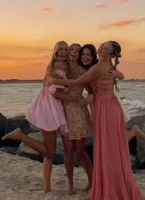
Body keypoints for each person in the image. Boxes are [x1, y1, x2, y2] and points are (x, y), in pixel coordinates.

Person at [47, 41, 144, 199]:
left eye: (105, 49)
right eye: (102, 46)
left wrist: (54, 81)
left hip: (106, 108)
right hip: (103, 107)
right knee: (108, 147)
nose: (101, 49)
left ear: (110, 54)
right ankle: (107, 182)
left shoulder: (98, 67)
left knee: (108, 146)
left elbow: (79, 82)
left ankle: (132, 133)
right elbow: (106, 79)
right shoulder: (100, 65)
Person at [2, 41, 71, 193]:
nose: (64, 52)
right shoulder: (57, 66)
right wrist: (74, 97)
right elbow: (54, 92)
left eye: (66, 49)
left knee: (49, 152)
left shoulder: (58, 66)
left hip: (54, 107)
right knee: (50, 152)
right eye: (61, 49)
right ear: (55, 51)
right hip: (49, 108)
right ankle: (21, 135)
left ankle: (47, 187)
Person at [80, 44, 145, 142]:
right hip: (97, 105)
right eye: (83, 54)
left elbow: (122, 75)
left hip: (108, 103)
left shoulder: (101, 65)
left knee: (111, 138)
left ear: (93, 56)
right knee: (103, 136)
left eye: (88, 55)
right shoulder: (83, 69)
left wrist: (115, 74)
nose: (85, 57)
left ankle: (133, 131)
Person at [55, 43, 93, 195]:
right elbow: (54, 90)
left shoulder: (83, 71)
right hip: (64, 111)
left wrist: (87, 100)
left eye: (78, 51)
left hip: (78, 113)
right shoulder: (61, 68)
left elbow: (92, 92)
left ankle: (92, 180)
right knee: (68, 151)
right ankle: (70, 184)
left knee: (80, 151)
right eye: (72, 50)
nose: (74, 52)